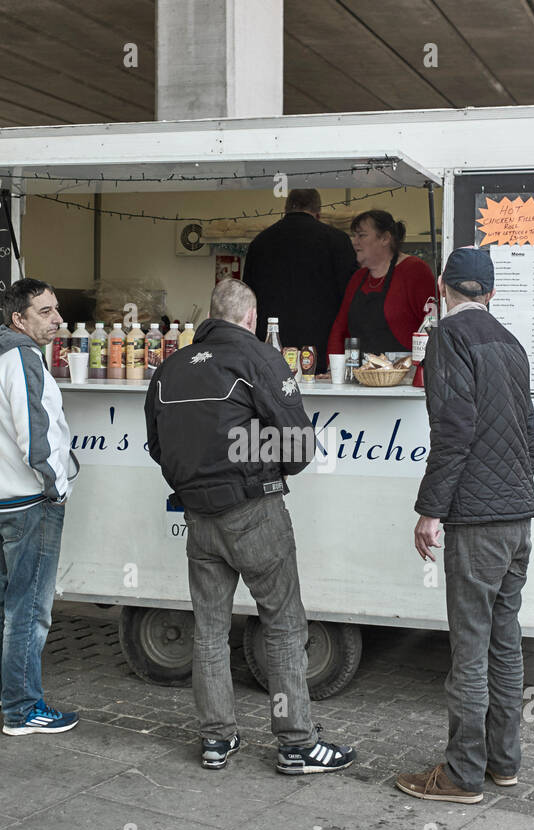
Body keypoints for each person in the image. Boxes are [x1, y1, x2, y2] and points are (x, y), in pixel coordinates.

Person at [144, 278, 356, 774]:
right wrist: (261, 466)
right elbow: (299, 446)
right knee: (283, 627)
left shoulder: (169, 368)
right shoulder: (260, 359)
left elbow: (157, 446)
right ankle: (296, 744)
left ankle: (217, 740)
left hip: (198, 518)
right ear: (252, 318)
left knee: (210, 632)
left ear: (212, 315)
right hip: (255, 512)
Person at [395, 247, 534, 804]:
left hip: (478, 523)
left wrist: (431, 510)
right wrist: (508, 488)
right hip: (518, 518)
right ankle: (504, 762)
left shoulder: (448, 339)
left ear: (441, 287)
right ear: (492, 293)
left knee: (470, 648)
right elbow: (530, 442)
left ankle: (461, 775)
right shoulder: (510, 342)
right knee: (505, 643)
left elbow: (452, 429)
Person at [0, 278, 79, 736]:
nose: (57, 320)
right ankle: (22, 709)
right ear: (19, 318)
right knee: (30, 608)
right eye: (45, 312)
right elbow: (35, 438)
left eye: (57, 310)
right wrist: (56, 487)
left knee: (4, 597)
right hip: (28, 501)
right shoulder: (23, 359)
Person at [242, 188, 357, 374]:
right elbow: (352, 297)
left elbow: (246, 298)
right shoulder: (337, 241)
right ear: (318, 213)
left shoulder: (260, 243)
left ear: (285, 209)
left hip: (271, 351)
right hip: (320, 350)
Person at [326, 209, 436, 362]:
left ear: (385, 238)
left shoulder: (414, 271)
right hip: (360, 374)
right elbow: (339, 329)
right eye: (354, 235)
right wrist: (335, 369)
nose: (354, 241)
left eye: (361, 235)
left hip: (403, 376)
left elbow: (432, 326)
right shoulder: (358, 278)